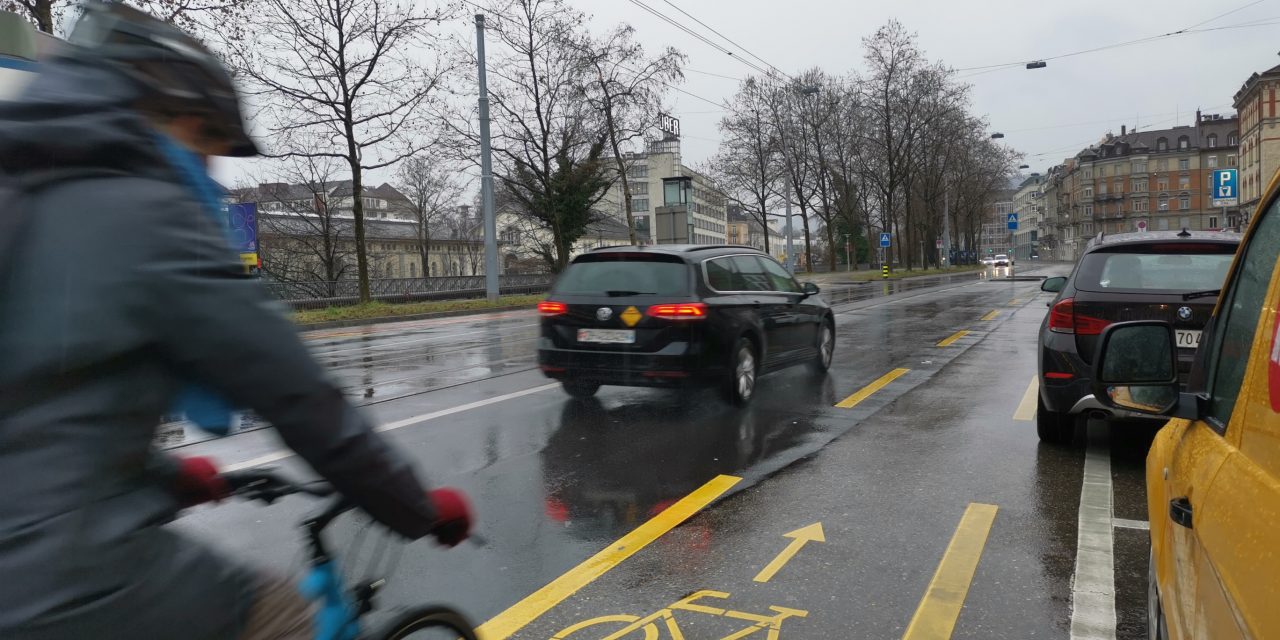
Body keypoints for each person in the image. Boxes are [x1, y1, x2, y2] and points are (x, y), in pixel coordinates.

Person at [0, 3, 471, 639]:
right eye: (212, 150)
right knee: (279, 616)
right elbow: (298, 396)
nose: (213, 175)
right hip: (69, 580)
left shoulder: (25, 194)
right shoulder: (152, 216)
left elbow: (40, 414)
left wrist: (165, 475)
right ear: (186, 120)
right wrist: (418, 509)